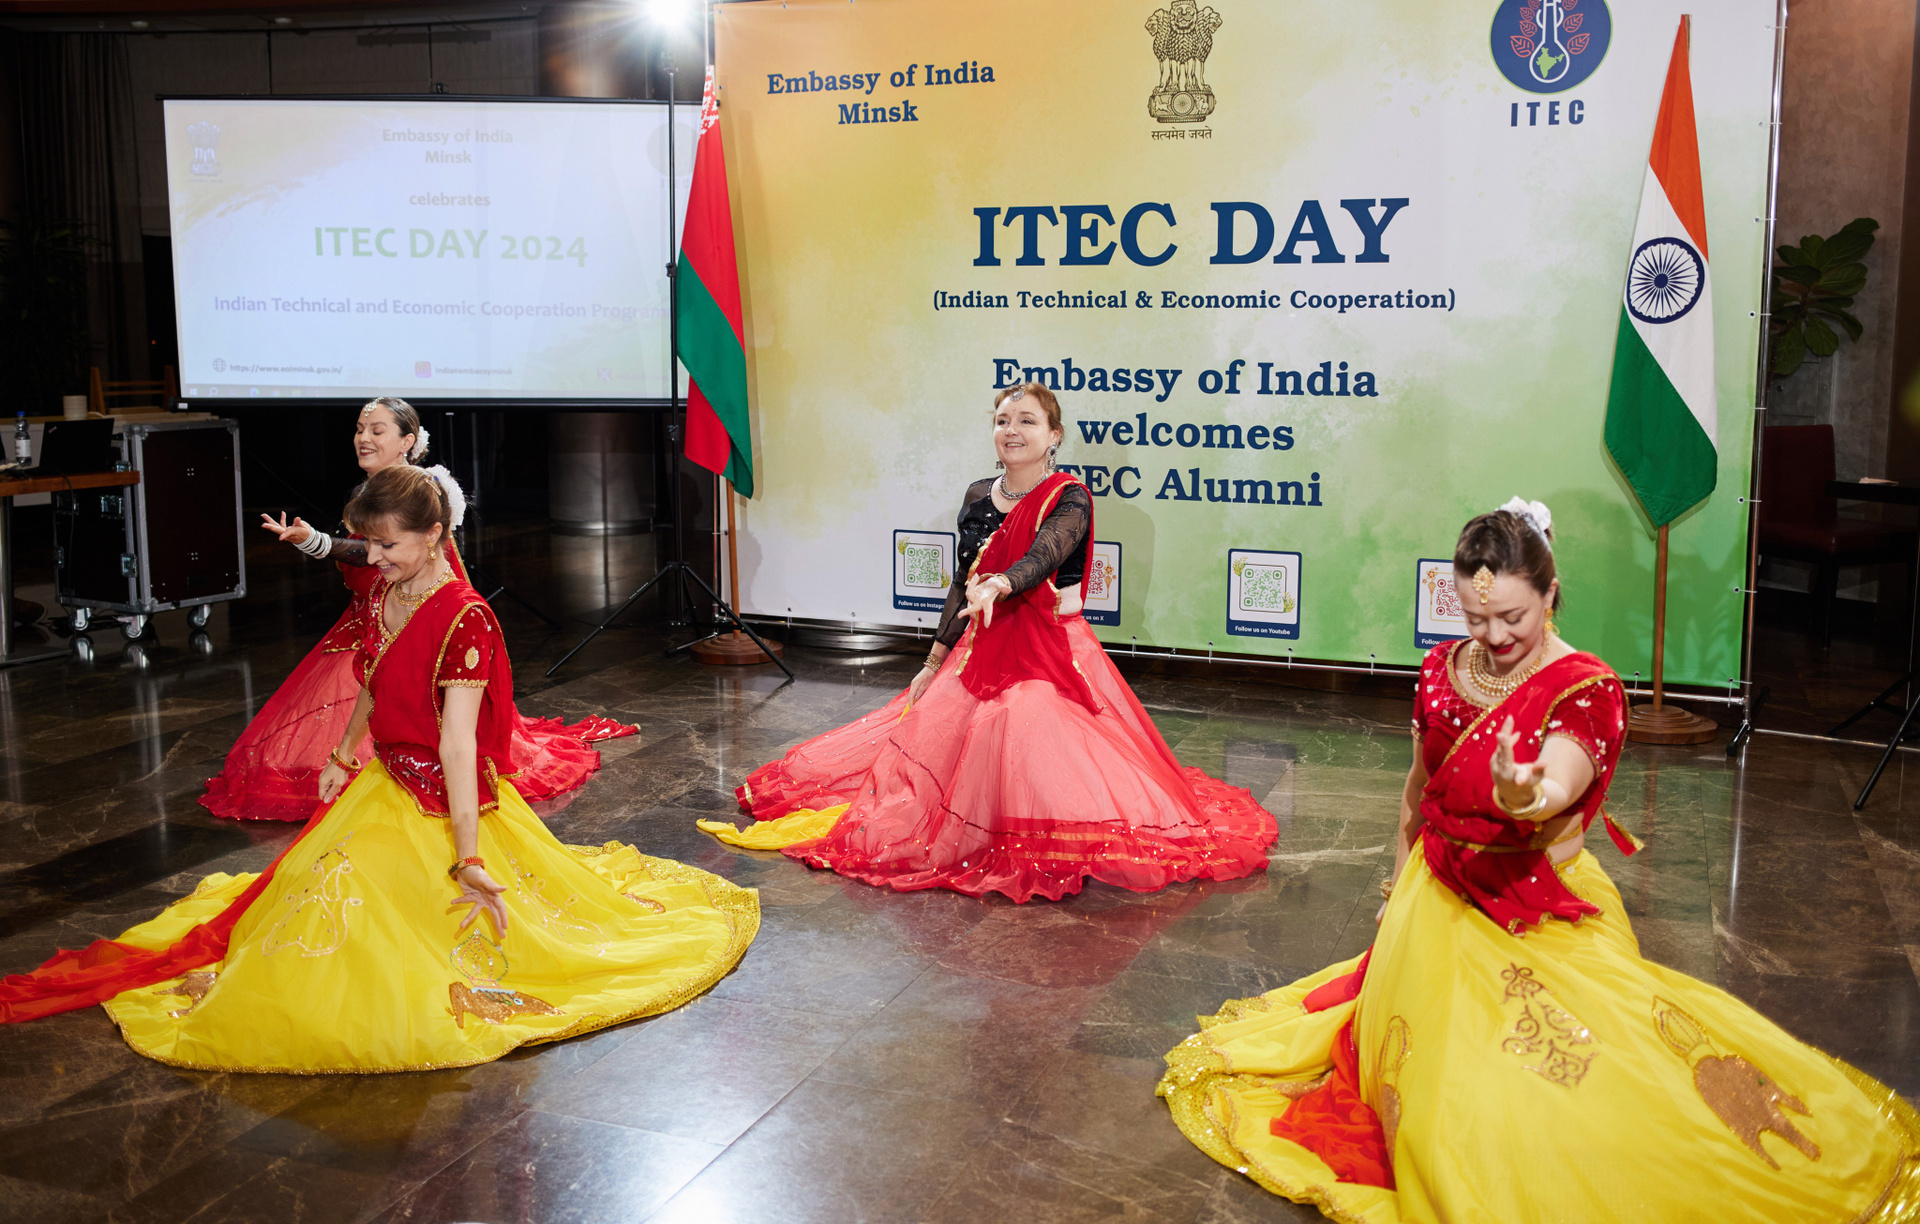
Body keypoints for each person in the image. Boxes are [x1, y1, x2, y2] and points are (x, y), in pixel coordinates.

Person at [1156, 500, 1920, 1222]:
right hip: (1434, 900)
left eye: (1513, 616)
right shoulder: (1441, 670)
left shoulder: (1584, 689)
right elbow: (1417, 792)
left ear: (1551, 593)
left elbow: (1557, 780)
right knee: (1427, 1082)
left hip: (1533, 901)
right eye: (1475, 617)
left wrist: (1524, 793)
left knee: (1555, 1093)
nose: (1494, 635)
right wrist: (1394, 888)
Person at [0, 465, 758, 1070]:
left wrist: (469, 857)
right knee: (314, 906)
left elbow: (458, 746)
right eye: (370, 545)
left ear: (435, 536)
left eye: (389, 546)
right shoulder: (389, 593)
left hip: (439, 798)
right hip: (382, 779)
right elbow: (373, 679)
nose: (376, 558)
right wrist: (340, 754)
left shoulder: (464, 618)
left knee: (402, 927)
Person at [699, 383, 1277, 903]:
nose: (1012, 431)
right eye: (1003, 421)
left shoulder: (1070, 497)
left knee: (1022, 719)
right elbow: (960, 583)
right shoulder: (979, 494)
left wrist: (1004, 582)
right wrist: (933, 662)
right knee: (932, 734)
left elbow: (1045, 553)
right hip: (982, 644)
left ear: (1054, 435)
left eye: (1027, 421)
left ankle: (1033, 830)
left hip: (1049, 647)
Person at [200, 396, 634, 822]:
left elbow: (376, 557)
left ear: (407, 441)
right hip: (372, 618)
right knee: (361, 704)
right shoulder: (369, 494)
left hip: (414, 625)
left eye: (377, 430)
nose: (363, 438)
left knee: (418, 723)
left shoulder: (421, 494)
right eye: (359, 429)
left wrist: (317, 542)